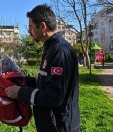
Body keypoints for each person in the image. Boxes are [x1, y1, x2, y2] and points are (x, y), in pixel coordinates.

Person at [5, 4, 80, 132]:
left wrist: (20, 92)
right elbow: (46, 84)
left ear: (43, 26)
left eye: (31, 27)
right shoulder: (50, 48)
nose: (29, 31)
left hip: (59, 125)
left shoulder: (60, 51)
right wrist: (22, 78)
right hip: (50, 123)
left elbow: (54, 97)